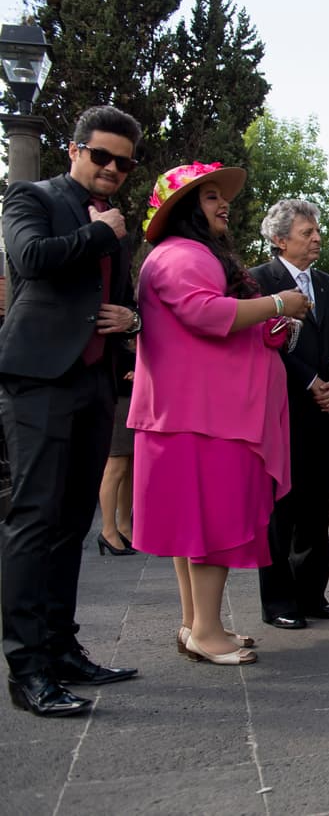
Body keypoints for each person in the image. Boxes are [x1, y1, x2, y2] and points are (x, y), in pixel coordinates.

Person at [131, 161, 310, 666]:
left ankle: (197, 624)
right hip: (204, 417)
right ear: (186, 209)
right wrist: (278, 304)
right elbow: (207, 314)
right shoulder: (184, 255)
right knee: (209, 526)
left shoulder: (173, 255)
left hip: (192, 414)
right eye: (209, 197)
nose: (222, 203)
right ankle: (205, 630)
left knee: (194, 528)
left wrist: (267, 321)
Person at [1, 105, 146, 715]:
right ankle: (27, 669)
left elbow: (118, 300)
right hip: (39, 379)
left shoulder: (117, 224)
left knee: (71, 524)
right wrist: (101, 232)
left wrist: (130, 319)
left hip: (94, 381)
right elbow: (30, 260)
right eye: (102, 155)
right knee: (35, 521)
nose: (112, 168)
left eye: (123, 162)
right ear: (75, 149)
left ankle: (62, 650)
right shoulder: (29, 197)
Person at [251, 199, 329, 629]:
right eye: (306, 231)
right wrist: (309, 381)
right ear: (279, 240)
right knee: (280, 509)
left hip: (326, 411)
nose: (317, 236)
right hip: (280, 410)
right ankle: (279, 601)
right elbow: (262, 343)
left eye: (317, 229)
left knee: (318, 505)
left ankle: (312, 593)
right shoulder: (259, 283)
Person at [96, 339, 137, 555]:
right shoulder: (114, 311)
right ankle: (108, 530)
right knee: (116, 465)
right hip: (118, 395)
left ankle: (123, 526)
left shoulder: (133, 311)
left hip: (132, 394)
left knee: (128, 466)